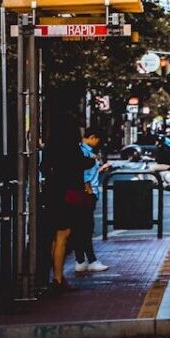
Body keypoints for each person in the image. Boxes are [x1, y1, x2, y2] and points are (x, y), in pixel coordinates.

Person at [41, 116, 94, 293]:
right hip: (67, 195)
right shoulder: (71, 148)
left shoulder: (50, 147)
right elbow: (78, 165)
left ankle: (57, 276)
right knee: (64, 235)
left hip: (52, 194)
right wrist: (91, 160)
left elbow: (44, 167)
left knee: (56, 237)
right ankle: (57, 278)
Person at [73, 128, 111, 274]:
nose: (97, 143)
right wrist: (88, 190)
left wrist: (100, 169)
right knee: (85, 228)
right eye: (97, 140)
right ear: (92, 137)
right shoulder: (84, 152)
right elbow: (83, 174)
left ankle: (82, 260)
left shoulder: (82, 150)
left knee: (83, 228)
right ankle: (87, 260)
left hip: (88, 192)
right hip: (87, 193)